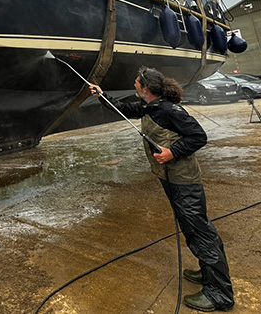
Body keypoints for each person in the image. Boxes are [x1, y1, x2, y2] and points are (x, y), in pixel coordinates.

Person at [90, 66, 234, 312]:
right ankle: (206, 271)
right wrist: (102, 95)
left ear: (145, 88)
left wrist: (172, 152)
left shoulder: (169, 110)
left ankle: (219, 294)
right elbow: (123, 110)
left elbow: (198, 136)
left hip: (184, 181)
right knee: (195, 228)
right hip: (171, 180)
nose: (134, 83)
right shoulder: (150, 106)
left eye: (136, 82)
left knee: (199, 232)